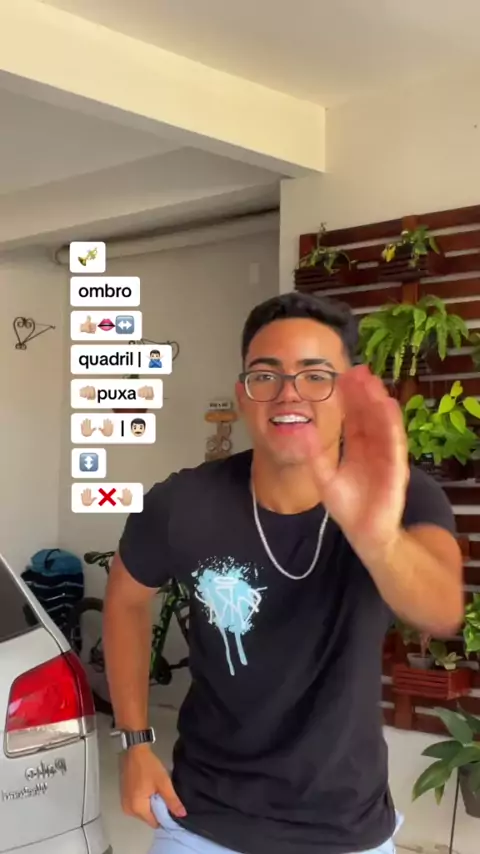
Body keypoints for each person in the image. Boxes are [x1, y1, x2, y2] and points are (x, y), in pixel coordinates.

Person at [103, 292, 463, 854]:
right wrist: (135, 741)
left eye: (316, 375)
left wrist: (379, 540)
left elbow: (441, 609)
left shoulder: (401, 492)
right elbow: (126, 597)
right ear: (243, 395)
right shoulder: (184, 502)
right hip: (201, 819)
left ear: (348, 393)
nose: (288, 393)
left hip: (347, 827)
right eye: (265, 375)